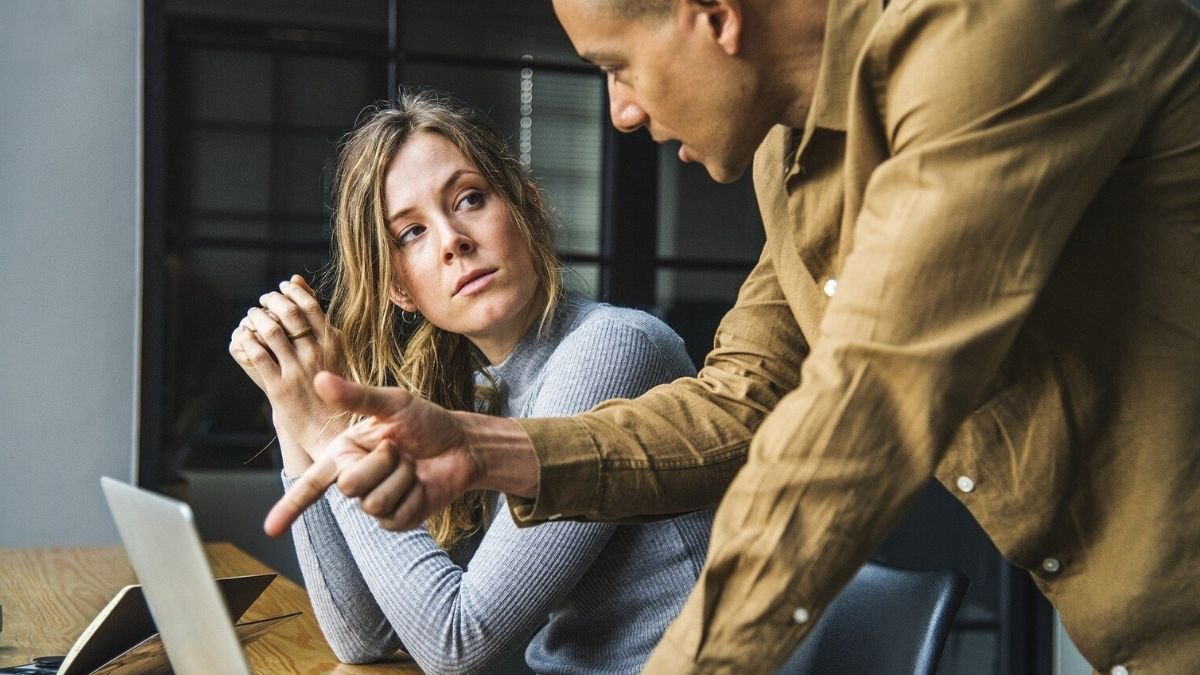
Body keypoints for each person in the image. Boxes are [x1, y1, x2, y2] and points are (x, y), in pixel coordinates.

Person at [267, 0, 1200, 672]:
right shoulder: (789, 160)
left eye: (616, 67)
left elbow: (864, 409)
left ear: (712, 14)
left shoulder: (992, 33)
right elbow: (740, 400)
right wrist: (477, 446)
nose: (621, 112)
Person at [233, 89, 713, 674]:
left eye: (469, 199)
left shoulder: (613, 349)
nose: (451, 240)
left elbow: (456, 645)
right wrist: (292, 406)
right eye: (410, 233)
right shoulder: (478, 390)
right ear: (398, 289)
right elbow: (364, 637)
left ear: (528, 209)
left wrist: (329, 426)